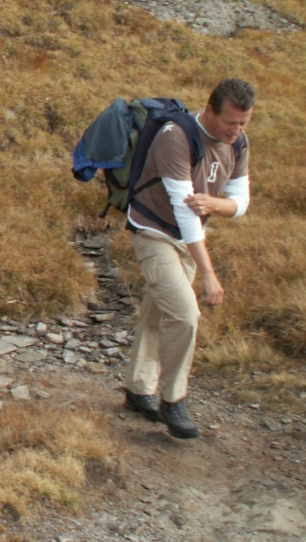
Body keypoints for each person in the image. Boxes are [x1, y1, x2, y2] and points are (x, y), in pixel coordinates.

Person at [122, 78, 254, 439]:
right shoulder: (175, 136)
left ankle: (137, 389)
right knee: (184, 312)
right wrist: (210, 274)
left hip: (190, 236)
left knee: (159, 308)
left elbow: (241, 202)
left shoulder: (238, 142)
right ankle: (173, 399)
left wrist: (215, 204)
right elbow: (184, 212)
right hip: (154, 231)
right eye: (231, 121)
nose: (236, 130)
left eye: (243, 122)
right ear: (210, 110)